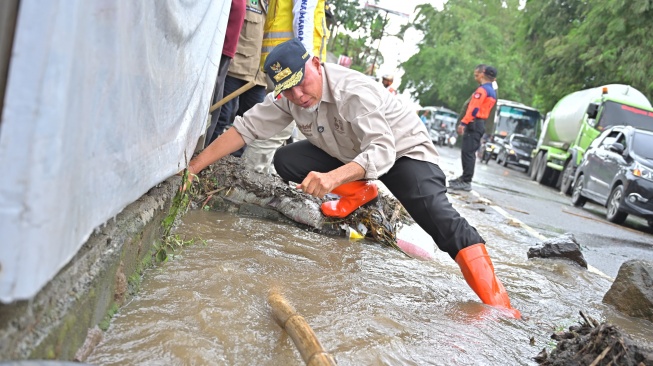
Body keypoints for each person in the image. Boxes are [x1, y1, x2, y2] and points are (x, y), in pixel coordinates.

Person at [186, 38, 520, 318]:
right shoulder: (290, 98)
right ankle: (360, 193)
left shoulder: (353, 91)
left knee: (440, 220)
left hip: (402, 152)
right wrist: (193, 168)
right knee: (287, 159)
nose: (299, 96)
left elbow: (383, 150)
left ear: (316, 63)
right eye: (288, 91)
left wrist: (332, 178)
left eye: (303, 83)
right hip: (351, 153)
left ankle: (500, 308)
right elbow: (245, 128)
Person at [240, 0, 330, 174]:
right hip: (292, 70)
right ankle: (250, 175)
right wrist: (305, 65)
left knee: (271, 122)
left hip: (282, 65)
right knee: (275, 127)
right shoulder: (301, 67)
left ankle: (253, 174)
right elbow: (303, 15)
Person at [448, 65, 498, 191]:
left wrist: (463, 123)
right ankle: (464, 178)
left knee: (468, 153)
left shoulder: (482, 91)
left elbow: (473, 108)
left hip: (474, 123)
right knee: (469, 152)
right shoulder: (492, 91)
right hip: (480, 123)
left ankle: (466, 181)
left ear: (482, 74)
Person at [204, 0, 247, 149]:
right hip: (214, 48)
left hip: (226, 51)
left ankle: (200, 155)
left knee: (217, 111)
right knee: (213, 110)